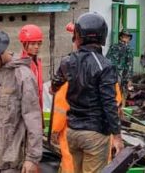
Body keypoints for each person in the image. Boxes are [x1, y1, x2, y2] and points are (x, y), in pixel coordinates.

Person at [51, 13, 123, 173]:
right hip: (95, 134)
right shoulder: (105, 65)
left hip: (72, 132)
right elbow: (109, 103)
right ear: (102, 36)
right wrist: (117, 136)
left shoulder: (67, 62)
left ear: (78, 36)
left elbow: (54, 87)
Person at [0, 29, 42, 173]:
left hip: (13, 161)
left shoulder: (23, 76)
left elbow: (33, 119)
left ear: (0, 52)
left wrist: (32, 158)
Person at [19, 24, 44, 110]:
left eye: (39, 44)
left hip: (37, 108)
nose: (37, 47)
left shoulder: (37, 62)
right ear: (24, 44)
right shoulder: (20, 65)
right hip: (27, 110)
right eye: (33, 44)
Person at [106, 29, 134, 102]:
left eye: (127, 37)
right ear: (121, 37)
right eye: (125, 37)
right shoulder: (128, 49)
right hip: (119, 76)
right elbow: (130, 65)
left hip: (115, 75)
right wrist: (129, 79)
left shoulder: (114, 46)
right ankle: (120, 110)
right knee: (121, 95)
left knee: (114, 94)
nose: (126, 39)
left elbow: (106, 60)